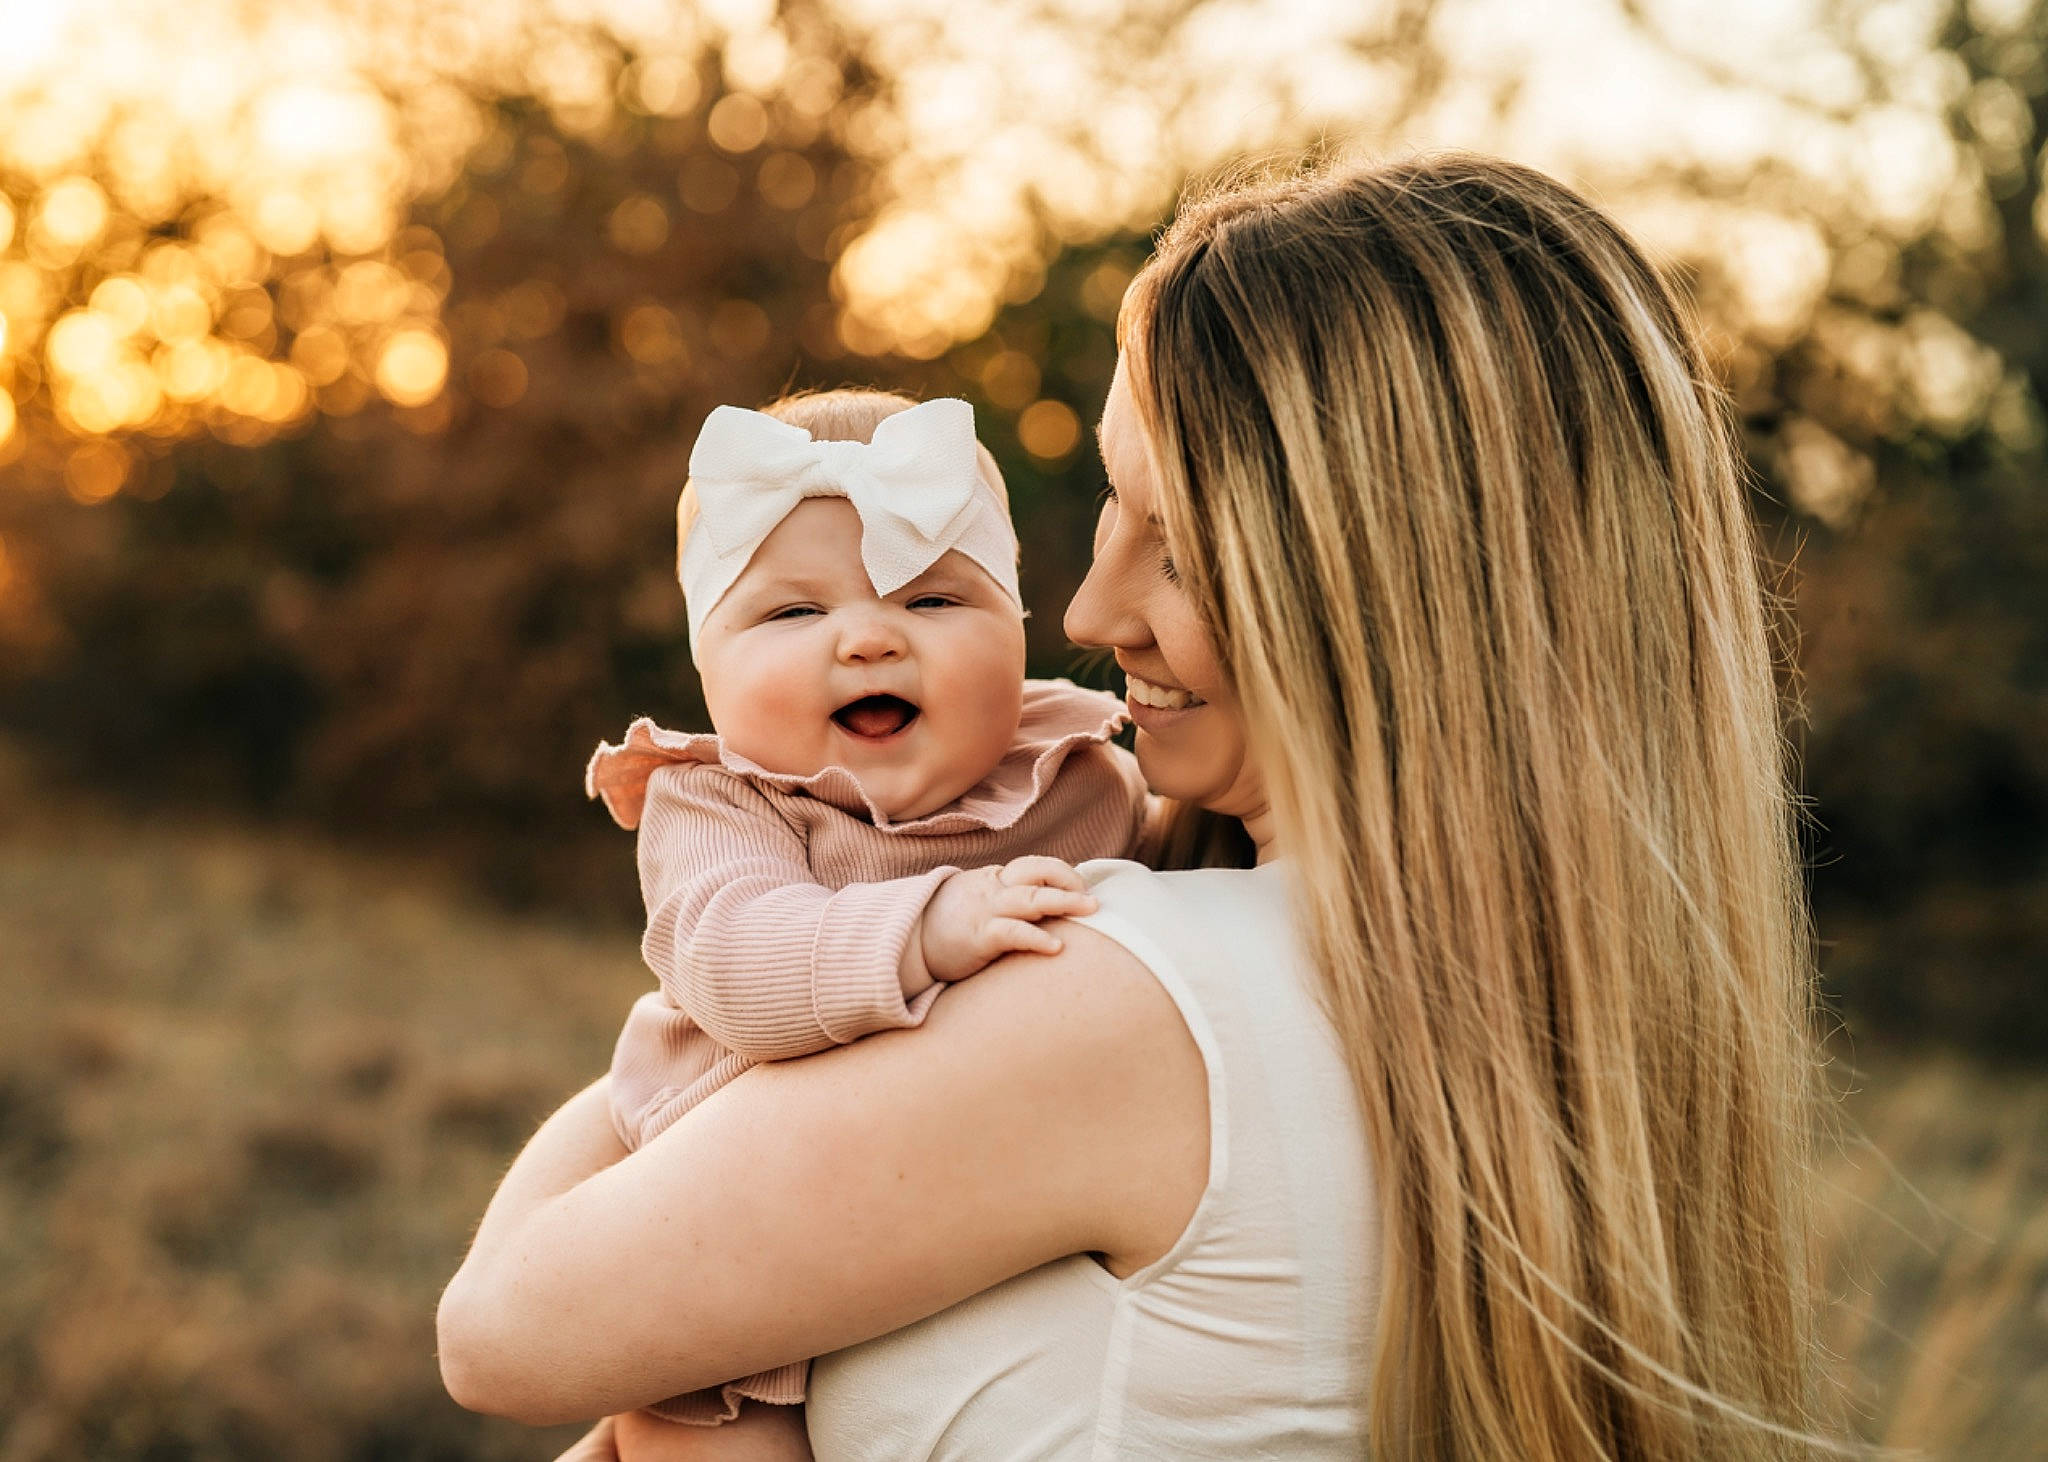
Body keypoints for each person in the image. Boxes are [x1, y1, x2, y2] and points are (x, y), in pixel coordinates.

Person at [439, 153, 1831, 1460]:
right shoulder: (1576, 1020)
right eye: (1110, 511)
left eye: (1173, 544)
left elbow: (500, 1325)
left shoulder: (1137, 998)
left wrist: (678, 1037)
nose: (1096, 612)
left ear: (1385, 587)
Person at [582, 387, 1155, 1455]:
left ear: (1017, 624)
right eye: (794, 613)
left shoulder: (1084, 775)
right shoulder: (723, 801)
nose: (867, 638)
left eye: (932, 600)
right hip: (724, 1274)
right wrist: (927, 925)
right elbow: (730, 954)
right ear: (707, 661)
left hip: (972, 1234)